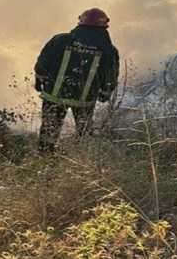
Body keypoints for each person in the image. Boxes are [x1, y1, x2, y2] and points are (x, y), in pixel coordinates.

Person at [34, 8, 120, 154]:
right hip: (84, 100)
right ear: (105, 27)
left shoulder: (60, 40)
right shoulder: (109, 50)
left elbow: (43, 61)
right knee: (84, 133)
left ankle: (45, 160)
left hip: (54, 96)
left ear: (80, 22)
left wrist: (39, 78)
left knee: (49, 131)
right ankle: (81, 162)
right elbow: (110, 74)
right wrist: (105, 92)